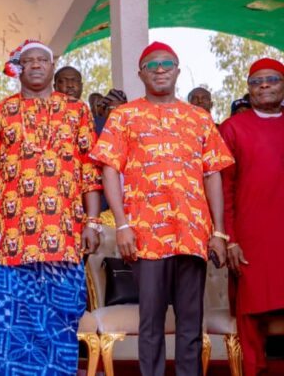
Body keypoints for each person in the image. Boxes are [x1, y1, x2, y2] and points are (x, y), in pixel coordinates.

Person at [90, 41, 234, 376]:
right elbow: (109, 169)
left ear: (178, 70)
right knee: (151, 322)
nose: (159, 69)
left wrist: (219, 232)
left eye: (166, 63)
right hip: (145, 236)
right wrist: (123, 225)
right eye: (151, 64)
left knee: (189, 322)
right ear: (140, 73)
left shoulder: (199, 118)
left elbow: (213, 174)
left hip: (192, 234)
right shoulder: (124, 116)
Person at [0, 40, 102, 375]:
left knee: (60, 323)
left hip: (64, 235)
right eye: (27, 61)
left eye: (41, 60)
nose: (35, 66)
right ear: (19, 67)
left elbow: (90, 172)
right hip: (12, 240)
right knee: (10, 325)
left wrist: (92, 221)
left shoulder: (77, 112)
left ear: (52, 65)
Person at [219, 58, 284, 376]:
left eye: (272, 79)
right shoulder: (233, 128)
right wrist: (229, 239)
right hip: (251, 239)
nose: (265, 86)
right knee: (251, 315)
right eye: (257, 82)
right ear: (248, 89)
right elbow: (224, 188)